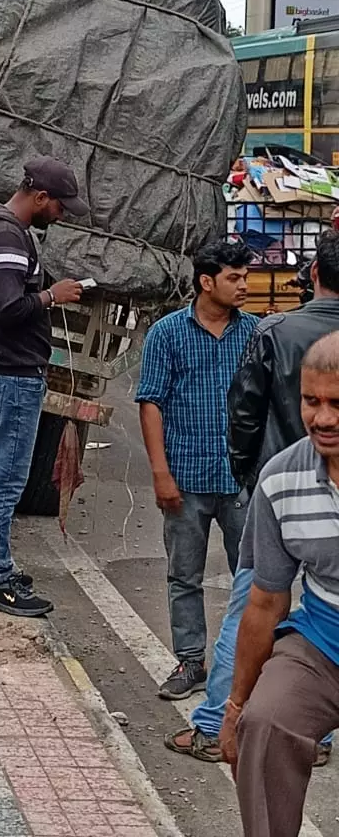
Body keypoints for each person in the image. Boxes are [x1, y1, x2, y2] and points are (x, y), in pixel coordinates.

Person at [166, 229, 339, 763]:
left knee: (253, 609)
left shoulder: (274, 331)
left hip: (281, 495)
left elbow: (243, 416)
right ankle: (314, 734)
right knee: (321, 616)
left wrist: (251, 480)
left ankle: (215, 724)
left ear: (314, 274)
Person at [218, 331, 339, 837]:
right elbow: (266, 602)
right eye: (312, 401)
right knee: (265, 724)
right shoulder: (281, 480)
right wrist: (235, 709)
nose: (323, 418)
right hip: (322, 645)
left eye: (337, 404)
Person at [0, 156, 87, 617]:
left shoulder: (3, 230)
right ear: (39, 197)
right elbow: (4, 308)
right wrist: (52, 296)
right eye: (59, 206)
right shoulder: (6, 236)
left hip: (0, 374)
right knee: (2, 481)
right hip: (10, 376)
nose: (62, 215)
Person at [136, 241, 257, 699]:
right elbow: (151, 403)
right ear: (207, 282)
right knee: (184, 575)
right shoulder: (167, 333)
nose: (243, 285)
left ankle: (250, 665)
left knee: (254, 576)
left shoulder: (256, 333)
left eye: (245, 277)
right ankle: (191, 662)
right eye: (234, 277)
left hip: (242, 481)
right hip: (185, 477)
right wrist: (160, 473)